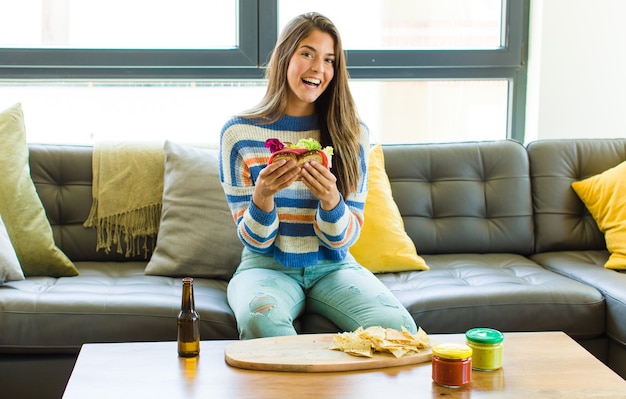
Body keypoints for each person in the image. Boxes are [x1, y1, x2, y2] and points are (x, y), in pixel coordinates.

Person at [219, 12, 417, 339]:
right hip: (265, 267)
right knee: (260, 322)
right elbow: (255, 240)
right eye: (307, 53)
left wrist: (331, 199)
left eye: (329, 60)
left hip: (334, 267)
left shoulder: (352, 134)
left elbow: (344, 239)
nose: (318, 68)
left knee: (400, 330)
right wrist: (262, 197)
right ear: (285, 56)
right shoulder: (238, 133)